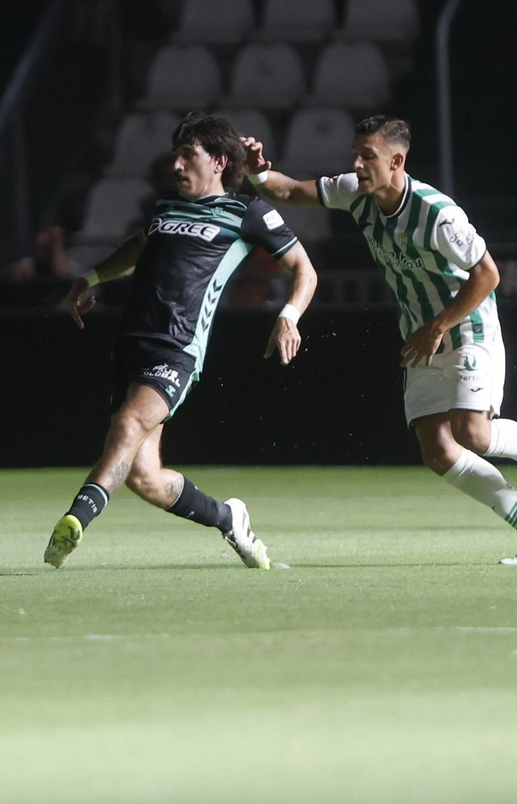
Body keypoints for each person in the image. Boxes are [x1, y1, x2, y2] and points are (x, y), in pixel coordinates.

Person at [241, 116, 517, 567]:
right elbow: (288, 191)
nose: (356, 163)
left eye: (366, 155)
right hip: (420, 335)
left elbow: (488, 274)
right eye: (355, 152)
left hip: (466, 328)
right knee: (437, 451)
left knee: (475, 433)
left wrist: (439, 325)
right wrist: (257, 170)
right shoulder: (356, 192)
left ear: (397, 160)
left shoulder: (437, 213)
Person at [44, 113, 317, 571]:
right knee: (143, 476)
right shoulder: (165, 207)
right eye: (175, 154)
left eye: (188, 154)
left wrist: (289, 316)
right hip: (131, 345)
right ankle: (229, 518)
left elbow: (304, 269)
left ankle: (76, 518)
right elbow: (138, 247)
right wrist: (90, 278)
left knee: (128, 426)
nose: (176, 164)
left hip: (178, 349)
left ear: (219, 161)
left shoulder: (247, 211)